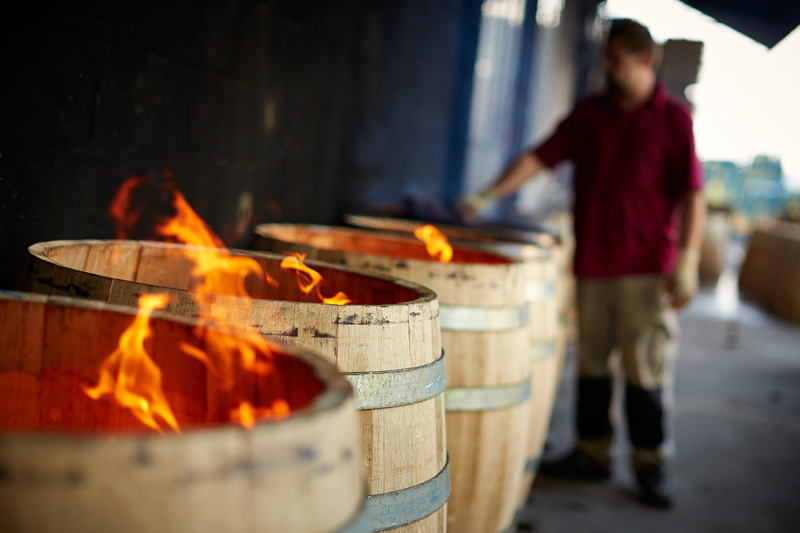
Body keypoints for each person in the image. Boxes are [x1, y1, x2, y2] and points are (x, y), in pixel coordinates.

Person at [461, 18, 706, 508]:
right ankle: (591, 453)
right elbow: (541, 156)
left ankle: (649, 462)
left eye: (615, 59)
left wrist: (690, 258)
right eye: (605, 57)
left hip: (645, 269)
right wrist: (488, 193)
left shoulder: (673, 119)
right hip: (592, 265)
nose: (605, 67)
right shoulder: (590, 113)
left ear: (644, 60)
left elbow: (693, 193)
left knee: (645, 369)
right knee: (592, 365)